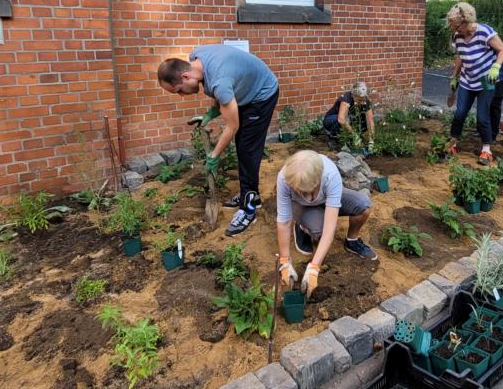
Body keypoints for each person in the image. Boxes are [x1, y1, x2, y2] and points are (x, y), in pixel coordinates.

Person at [157, 45, 279, 236]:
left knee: (247, 149)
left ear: (186, 77)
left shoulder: (220, 82)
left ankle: (249, 208)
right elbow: (218, 88)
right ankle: (249, 191)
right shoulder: (196, 56)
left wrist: (214, 156)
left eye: (179, 90)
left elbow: (232, 126)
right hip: (244, 90)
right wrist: (209, 115)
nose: (181, 96)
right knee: (242, 146)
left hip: (262, 94)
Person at [275, 150, 377, 298]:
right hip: (300, 206)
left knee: (363, 205)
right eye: (298, 190)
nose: (302, 193)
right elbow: (284, 223)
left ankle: (352, 241)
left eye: (306, 190)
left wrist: (314, 268)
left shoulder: (330, 174)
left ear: (317, 180)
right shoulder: (284, 178)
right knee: (318, 230)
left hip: (326, 200)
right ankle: (301, 226)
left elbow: (330, 229)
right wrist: (284, 261)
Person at [446, 2, 503, 165]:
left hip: (486, 79)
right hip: (467, 79)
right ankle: (453, 144)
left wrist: (496, 67)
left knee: (482, 116)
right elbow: (460, 57)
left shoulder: (484, 31)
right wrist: (454, 77)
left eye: (456, 26)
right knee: (459, 113)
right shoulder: (457, 36)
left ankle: (486, 150)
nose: (454, 29)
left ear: (467, 21)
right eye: (453, 26)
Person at [323, 82, 375, 150]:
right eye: (360, 100)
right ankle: (332, 138)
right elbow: (341, 119)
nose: (362, 102)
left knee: (361, 120)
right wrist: (354, 136)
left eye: (363, 100)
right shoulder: (346, 98)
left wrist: (371, 140)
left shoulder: (365, 101)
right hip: (331, 120)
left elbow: (370, 121)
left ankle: (350, 140)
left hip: (348, 119)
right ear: (354, 96)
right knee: (341, 120)